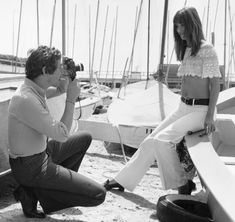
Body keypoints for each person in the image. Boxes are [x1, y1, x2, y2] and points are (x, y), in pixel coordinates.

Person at [104, 7, 221, 195]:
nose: (179, 30)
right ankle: (122, 180)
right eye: (177, 26)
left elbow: (215, 85)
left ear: (192, 24)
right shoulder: (186, 49)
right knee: (150, 141)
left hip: (201, 109)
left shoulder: (207, 50)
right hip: (183, 106)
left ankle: (182, 184)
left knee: (162, 140)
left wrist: (209, 117)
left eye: (182, 25)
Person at [8, 45, 106, 218]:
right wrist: (71, 100)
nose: (62, 71)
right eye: (59, 67)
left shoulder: (35, 88)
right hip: (31, 167)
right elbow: (61, 135)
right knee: (98, 194)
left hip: (40, 154)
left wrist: (67, 84)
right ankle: (34, 192)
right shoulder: (26, 99)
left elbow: (59, 89)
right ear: (45, 70)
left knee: (85, 137)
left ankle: (38, 189)